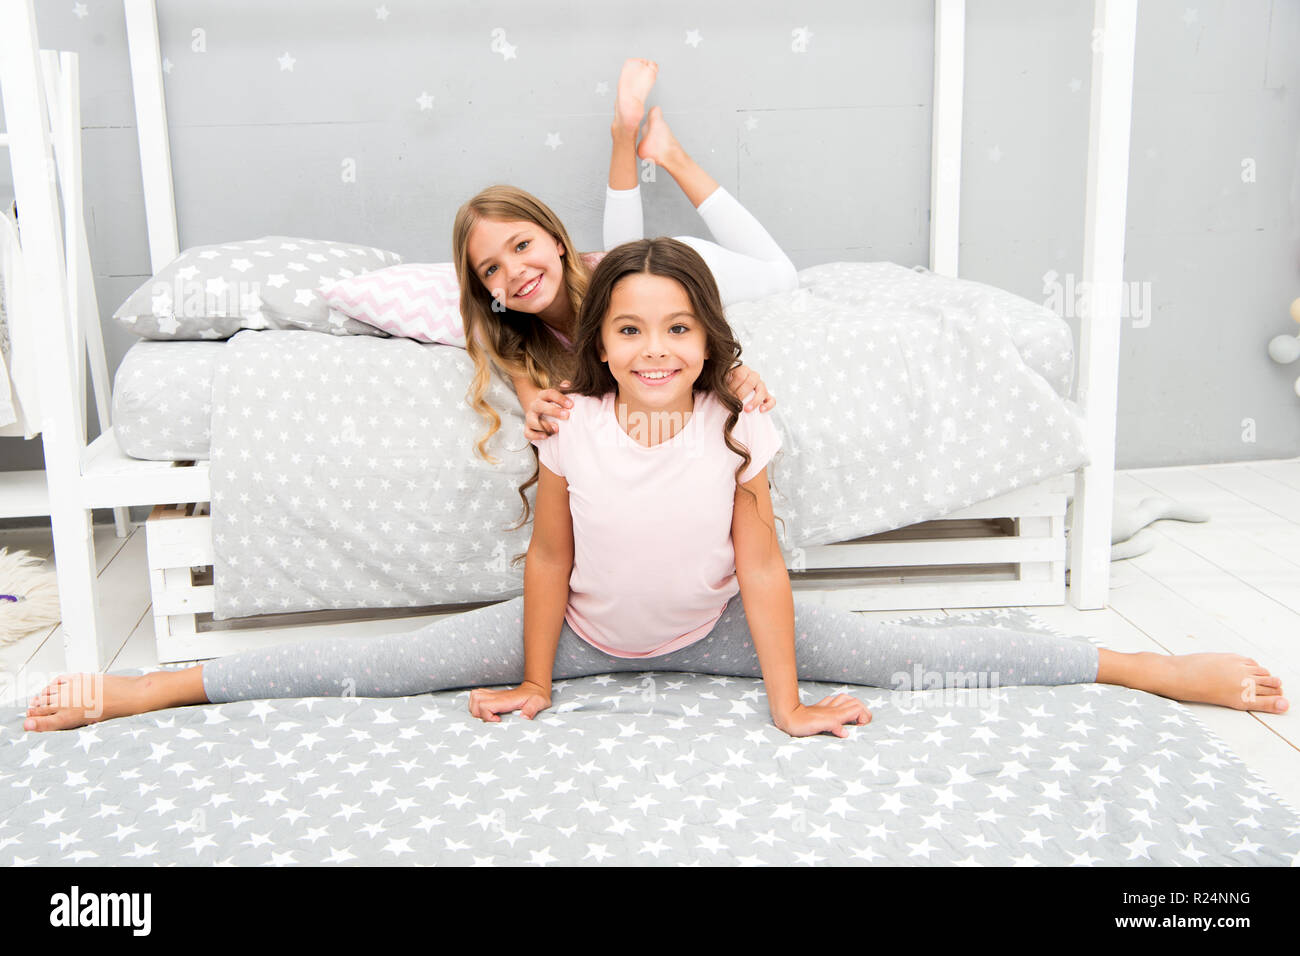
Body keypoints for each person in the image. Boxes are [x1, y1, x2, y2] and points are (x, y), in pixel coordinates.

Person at [22, 238, 1288, 737]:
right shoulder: (566, 427)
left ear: (710, 337)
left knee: (915, 651)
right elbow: (546, 560)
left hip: (721, 630)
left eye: (678, 330)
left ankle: (1141, 666)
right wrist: (530, 672)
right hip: (574, 636)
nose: (654, 350)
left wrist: (786, 699)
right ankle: (154, 683)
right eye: (630, 331)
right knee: (378, 661)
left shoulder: (741, 430)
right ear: (598, 342)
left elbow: (764, 566)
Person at [453, 58, 796, 460]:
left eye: (522, 245)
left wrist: (732, 372)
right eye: (491, 269)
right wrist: (539, 414)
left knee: (783, 277)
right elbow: (538, 403)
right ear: (481, 286)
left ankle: (656, 148)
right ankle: (639, 139)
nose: (514, 272)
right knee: (624, 267)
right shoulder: (509, 337)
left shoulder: (604, 274)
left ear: (558, 241)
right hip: (631, 259)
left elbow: (689, 341)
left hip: (677, 267)